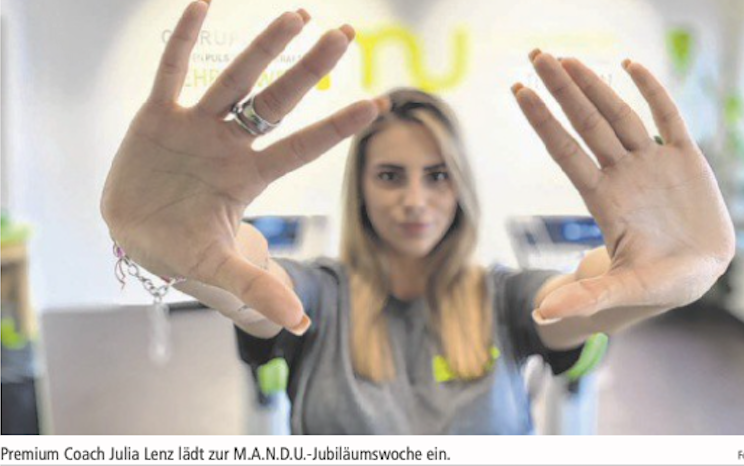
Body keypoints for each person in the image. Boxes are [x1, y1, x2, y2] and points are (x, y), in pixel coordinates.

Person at [100, 1, 735, 434]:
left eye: (436, 175)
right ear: (359, 188)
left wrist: (662, 269)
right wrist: (194, 239)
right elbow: (256, 284)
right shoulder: (322, 294)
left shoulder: (503, 297)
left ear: (460, 186)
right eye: (389, 175)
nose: (414, 199)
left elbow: (585, 299)